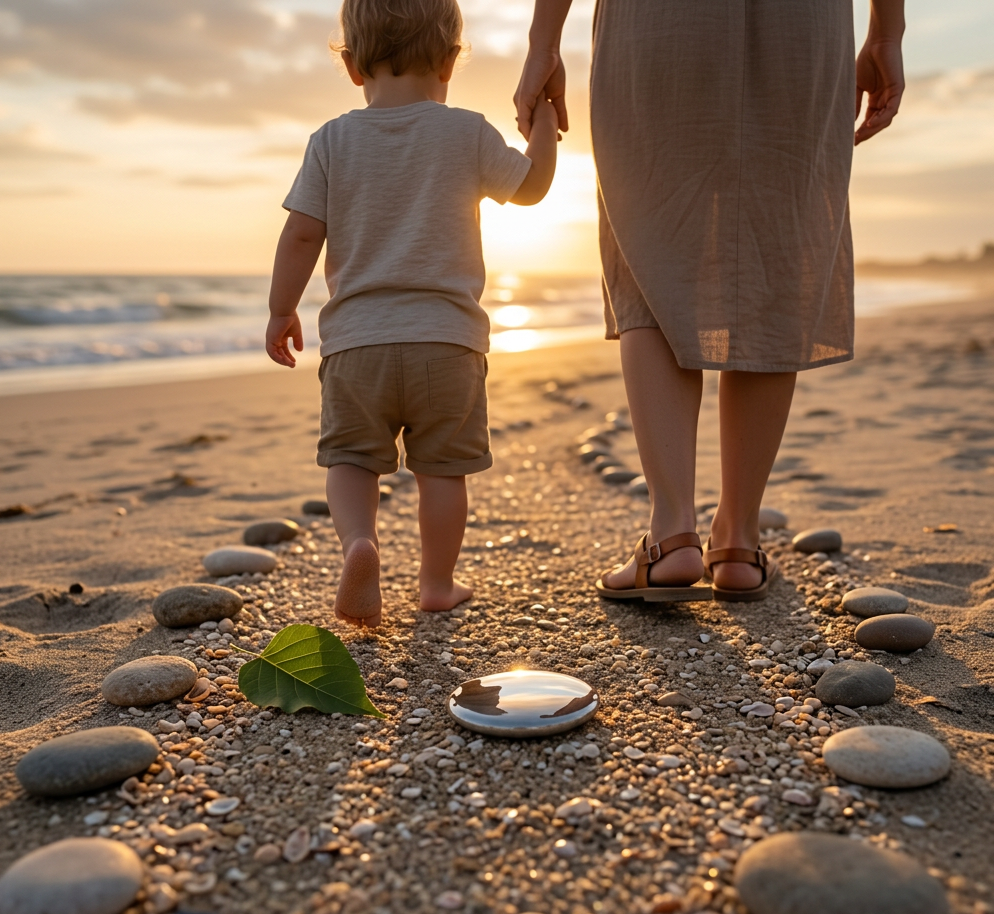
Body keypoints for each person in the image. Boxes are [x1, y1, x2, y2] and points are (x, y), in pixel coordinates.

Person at [514, 0, 905, 602]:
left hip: (660, 24)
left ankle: (672, 534)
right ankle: (738, 541)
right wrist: (887, 31)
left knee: (649, 250)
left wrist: (544, 41)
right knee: (776, 251)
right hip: (803, 25)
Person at [266, 0, 559, 626]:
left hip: (355, 345)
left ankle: (359, 545)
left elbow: (300, 236)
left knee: (350, 461)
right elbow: (531, 187)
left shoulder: (332, 140)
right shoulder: (467, 131)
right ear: (452, 59)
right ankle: (436, 584)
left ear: (351, 65)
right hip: (447, 344)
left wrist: (280, 310)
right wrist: (544, 122)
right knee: (442, 472)